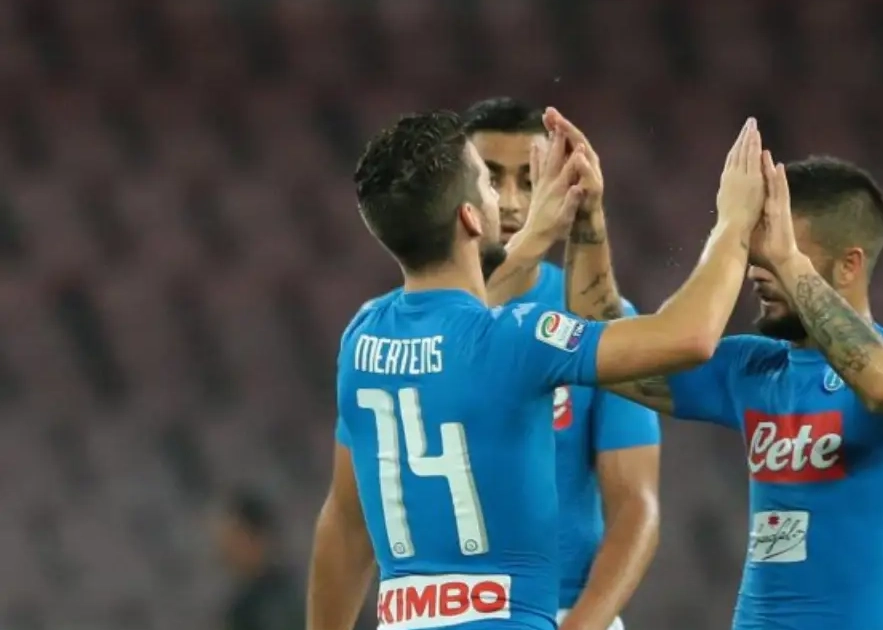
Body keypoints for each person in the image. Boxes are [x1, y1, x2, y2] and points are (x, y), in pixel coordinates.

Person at [306, 111, 771, 630]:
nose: (505, 202)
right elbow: (691, 337)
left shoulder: (363, 336)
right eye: (488, 183)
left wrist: (537, 233)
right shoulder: (520, 337)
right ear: (470, 217)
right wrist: (734, 223)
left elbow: (462, 313)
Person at [607, 155, 883, 630]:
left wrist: (789, 262)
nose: (757, 271)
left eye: (779, 252)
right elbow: (609, 358)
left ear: (849, 265)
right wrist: (588, 227)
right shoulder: (753, 367)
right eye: (758, 254)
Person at [461, 97, 659, 630]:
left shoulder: (598, 322)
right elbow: (349, 516)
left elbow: (636, 507)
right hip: (443, 610)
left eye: (531, 181)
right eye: (490, 179)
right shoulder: (405, 326)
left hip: (564, 611)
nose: (509, 202)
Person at [214, 490, 305, 630]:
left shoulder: (282, 603)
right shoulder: (243, 606)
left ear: (256, 538)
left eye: (235, 539)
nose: (226, 550)